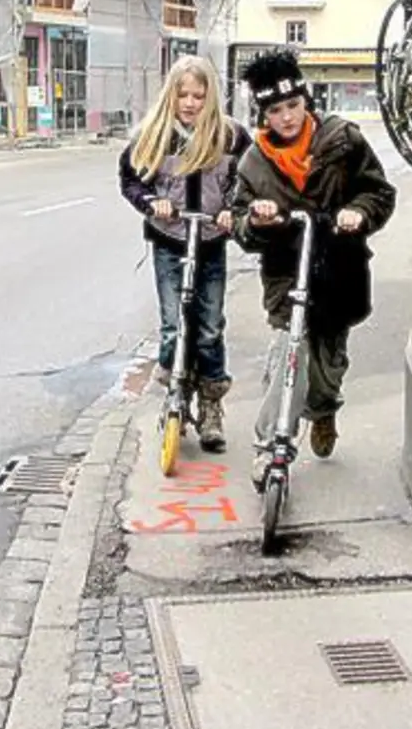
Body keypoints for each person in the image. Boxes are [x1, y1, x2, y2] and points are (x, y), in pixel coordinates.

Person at [230, 48, 397, 482]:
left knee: (326, 368)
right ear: (263, 113)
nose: (285, 117)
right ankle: (269, 446)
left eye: (292, 106)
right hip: (288, 274)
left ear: (306, 101)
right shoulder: (253, 163)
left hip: (339, 269)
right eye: (275, 110)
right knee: (288, 354)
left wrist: (358, 212)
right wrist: (258, 219)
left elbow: (379, 192)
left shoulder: (343, 140)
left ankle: (323, 410)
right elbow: (240, 223)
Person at [119, 55, 253, 453]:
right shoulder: (155, 134)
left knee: (209, 325)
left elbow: (248, 180)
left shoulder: (229, 136)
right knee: (174, 321)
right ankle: (174, 380)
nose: (191, 103)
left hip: (210, 239)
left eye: (199, 94)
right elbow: (130, 179)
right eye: (183, 95)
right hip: (169, 238)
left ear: (211, 96)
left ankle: (211, 402)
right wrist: (150, 202)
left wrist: (233, 207)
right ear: (170, 96)